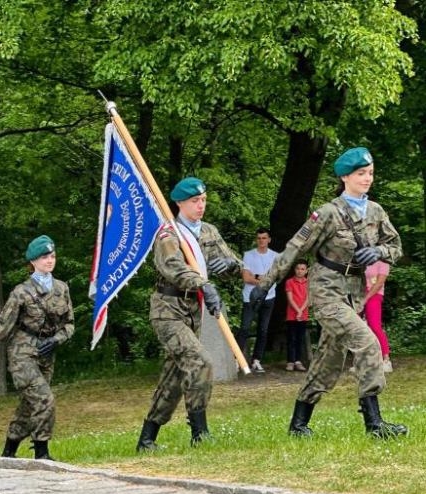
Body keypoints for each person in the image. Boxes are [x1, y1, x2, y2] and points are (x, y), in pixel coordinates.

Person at [250, 147, 406, 438]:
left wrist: (378, 251)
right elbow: (295, 248)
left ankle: (298, 424)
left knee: (329, 361)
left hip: (354, 293)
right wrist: (265, 283)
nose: (367, 179)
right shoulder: (328, 213)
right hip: (326, 290)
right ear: (345, 176)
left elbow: (396, 247)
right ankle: (374, 424)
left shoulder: (376, 211)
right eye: (361, 174)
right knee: (367, 342)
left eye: (370, 173)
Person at [137, 177, 242, 451]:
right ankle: (200, 433)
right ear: (180, 203)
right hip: (168, 311)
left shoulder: (208, 231)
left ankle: (146, 439)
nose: (200, 205)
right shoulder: (169, 233)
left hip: (192, 313)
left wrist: (229, 264)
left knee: (173, 378)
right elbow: (173, 267)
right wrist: (204, 285)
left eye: (204, 200)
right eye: (195, 201)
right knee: (200, 362)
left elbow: (236, 265)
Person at [0, 235, 74, 461]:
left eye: (52, 256)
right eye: (44, 257)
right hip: (22, 354)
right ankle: (42, 453)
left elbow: (69, 325)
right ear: (33, 262)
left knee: (28, 407)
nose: (49, 260)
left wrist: (56, 340)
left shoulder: (62, 288)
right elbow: (2, 326)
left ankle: (8, 453)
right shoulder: (21, 292)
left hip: (46, 355)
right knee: (45, 400)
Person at [235, 228, 279, 374]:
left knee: (263, 330)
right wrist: (263, 278)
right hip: (250, 297)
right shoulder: (249, 255)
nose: (261, 241)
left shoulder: (275, 256)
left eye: (264, 238)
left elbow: (275, 278)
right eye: (259, 238)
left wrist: (258, 277)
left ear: (269, 239)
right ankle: (236, 360)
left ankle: (256, 360)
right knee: (245, 328)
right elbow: (246, 278)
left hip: (269, 297)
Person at [364, 260, 393, 373]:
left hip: (374, 294)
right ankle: (361, 361)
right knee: (356, 327)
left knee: (375, 327)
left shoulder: (383, 262)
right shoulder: (361, 259)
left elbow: (380, 283)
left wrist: (366, 298)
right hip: (359, 293)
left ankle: (386, 360)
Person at [284, 260, 310, 372]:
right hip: (291, 315)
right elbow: (290, 298)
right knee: (291, 338)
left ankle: (298, 361)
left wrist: (301, 311)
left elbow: (309, 299)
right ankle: (290, 361)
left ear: (306, 270)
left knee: (300, 339)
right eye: (298, 268)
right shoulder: (289, 282)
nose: (300, 271)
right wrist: (298, 311)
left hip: (303, 315)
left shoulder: (309, 282)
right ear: (295, 269)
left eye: (302, 269)